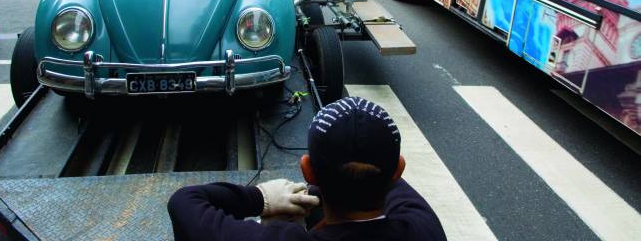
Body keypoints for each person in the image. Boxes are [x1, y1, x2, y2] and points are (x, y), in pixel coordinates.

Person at [168, 96, 446, 240]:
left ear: (308, 170)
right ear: (398, 170)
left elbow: (184, 202)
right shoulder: (423, 229)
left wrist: (260, 199)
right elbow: (386, 180)